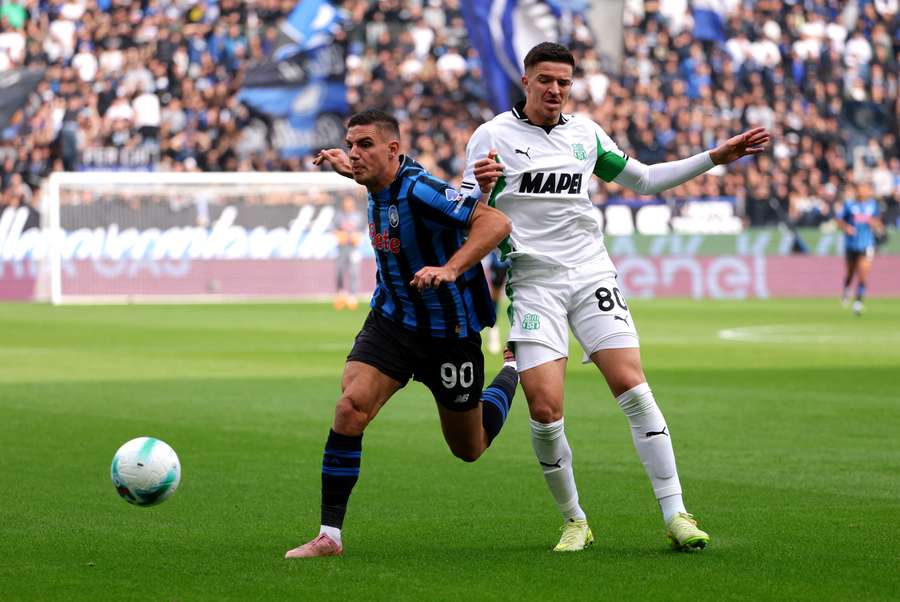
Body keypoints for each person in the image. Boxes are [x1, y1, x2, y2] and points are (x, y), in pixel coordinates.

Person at [464, 42, 770, 552]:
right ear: (526, 81)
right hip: (534, 282)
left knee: (632, 385)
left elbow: (644, 180)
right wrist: (478, 189)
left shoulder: (586, 135)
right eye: (545, 80)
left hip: (591, 273)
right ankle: (575, 520)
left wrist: (715, 157)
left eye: (564, 81)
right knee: (544, 409)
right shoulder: (491, 136)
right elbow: (471, 209)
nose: (556, 90)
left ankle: (676, 514)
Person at [284, 109, 519, 559]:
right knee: (350, 408)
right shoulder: (376, 180)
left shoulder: (421, 189)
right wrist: (342, 165)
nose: (355, 154)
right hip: (392, 322)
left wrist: (450, 268)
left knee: (469, 447)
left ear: (394, 150)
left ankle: (512, 370)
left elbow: (495, 223)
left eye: (365, 145)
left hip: (449, 333)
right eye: (351, 145)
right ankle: (329, 536)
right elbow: (367, 177)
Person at [836, 181, 884, 316]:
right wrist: (846, 227)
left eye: (864, 189)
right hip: (851, 244)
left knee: (863, 274)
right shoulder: (849, 204)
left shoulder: (873, 205)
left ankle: (858, 302)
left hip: (867, 244)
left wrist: (873, 222)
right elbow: (839, 220)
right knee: (851, 273)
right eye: (859, 189)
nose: (861, 191)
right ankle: (846, 288)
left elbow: (878, 223)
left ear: (868, 191)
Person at [332, 194, 364, 310]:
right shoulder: (339, 215)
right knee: (339, 270)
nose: (348, 205)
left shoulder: (358, 216)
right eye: (346, 202)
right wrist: (338, 234)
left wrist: (358, 236)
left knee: (353, 272)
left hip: (354, 248)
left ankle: (352, 296)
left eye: (350, 202)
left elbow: (362, 230)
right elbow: (333, 229)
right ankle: (340, 294)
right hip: (342, 248)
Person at [484, 249, 511, 354]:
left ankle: (515, 336)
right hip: (497, 256)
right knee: (494, 295)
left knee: (520, 295)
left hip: (517, 253)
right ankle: (493, 333)